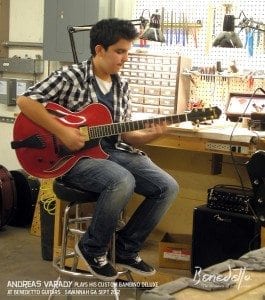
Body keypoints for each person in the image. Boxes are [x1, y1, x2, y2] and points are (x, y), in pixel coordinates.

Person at [16, 18, 179, 281]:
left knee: (167, 187)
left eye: (128, 51)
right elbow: (26, 101)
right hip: (71, 158)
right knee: (122, 180)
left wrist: (149, 136)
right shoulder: (71, 76)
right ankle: (92, 247)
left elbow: (124, 133)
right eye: (119, 51)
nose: (125, 58)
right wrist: (63, 132)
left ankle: (126, 248)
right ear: (99, 49)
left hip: (111, 152)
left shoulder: (122, 86)